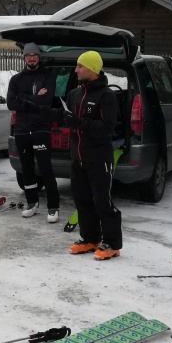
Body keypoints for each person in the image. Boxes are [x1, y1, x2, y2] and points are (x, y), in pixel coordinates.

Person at [61, 50, 122, 260]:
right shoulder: (75, 94)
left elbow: (106, 128)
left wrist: (79, 123)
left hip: (98, 158)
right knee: (82, 200)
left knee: (102, 202)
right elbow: (67, 117)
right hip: (77, 157)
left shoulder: (107, 96)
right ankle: (90, 238)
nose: (76, 70)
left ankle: (112, 244)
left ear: (92, 68)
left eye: (80, 66)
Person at [6, 42, 60, 222]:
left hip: (40, 129)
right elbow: (10, 103)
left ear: (39, 57)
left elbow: (46, 101)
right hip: (21, 131)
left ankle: (53, 207)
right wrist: (34, 99)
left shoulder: (47, 76)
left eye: (34, 55)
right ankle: (32, 203)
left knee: (45, 169)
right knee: (27, 169)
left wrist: (23, 99)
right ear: (24, 58)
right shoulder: (16, 79)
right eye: (28, 55)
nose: (31, 58)